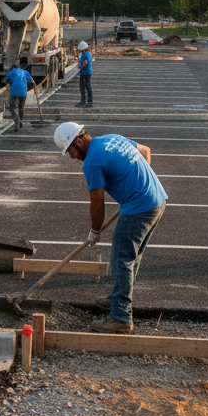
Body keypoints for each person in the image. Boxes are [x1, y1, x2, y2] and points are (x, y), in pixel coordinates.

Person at [55, 121, 167, 333]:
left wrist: (95, 231)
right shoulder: (111, 139)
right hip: (157, 200)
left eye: (69, 150)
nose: (71, 156)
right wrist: (140, 182)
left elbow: (97, 202)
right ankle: (119, 298)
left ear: (78, 141)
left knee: (121, 260)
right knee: (131, 258)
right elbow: (146, 151)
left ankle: (121, 318)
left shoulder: (92, 163)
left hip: (139, 208)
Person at [4, 60, 36, 131]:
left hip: (14, 91)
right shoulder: (26, 72)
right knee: (21, 108)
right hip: (23, 92)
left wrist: (9, 82)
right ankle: (20, 123)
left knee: (11, 107)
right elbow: (33, 82)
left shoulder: (12, 71)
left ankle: (17, 121)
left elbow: (6, 80)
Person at [76, 41, 93, 107]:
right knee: (87, 86)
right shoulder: (88, 53)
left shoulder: (85, 54)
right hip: (88, 72)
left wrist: (81, 67)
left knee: (84, 87)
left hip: (85, 72)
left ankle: (84, 101)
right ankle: (89, 100)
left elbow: (85, 62)